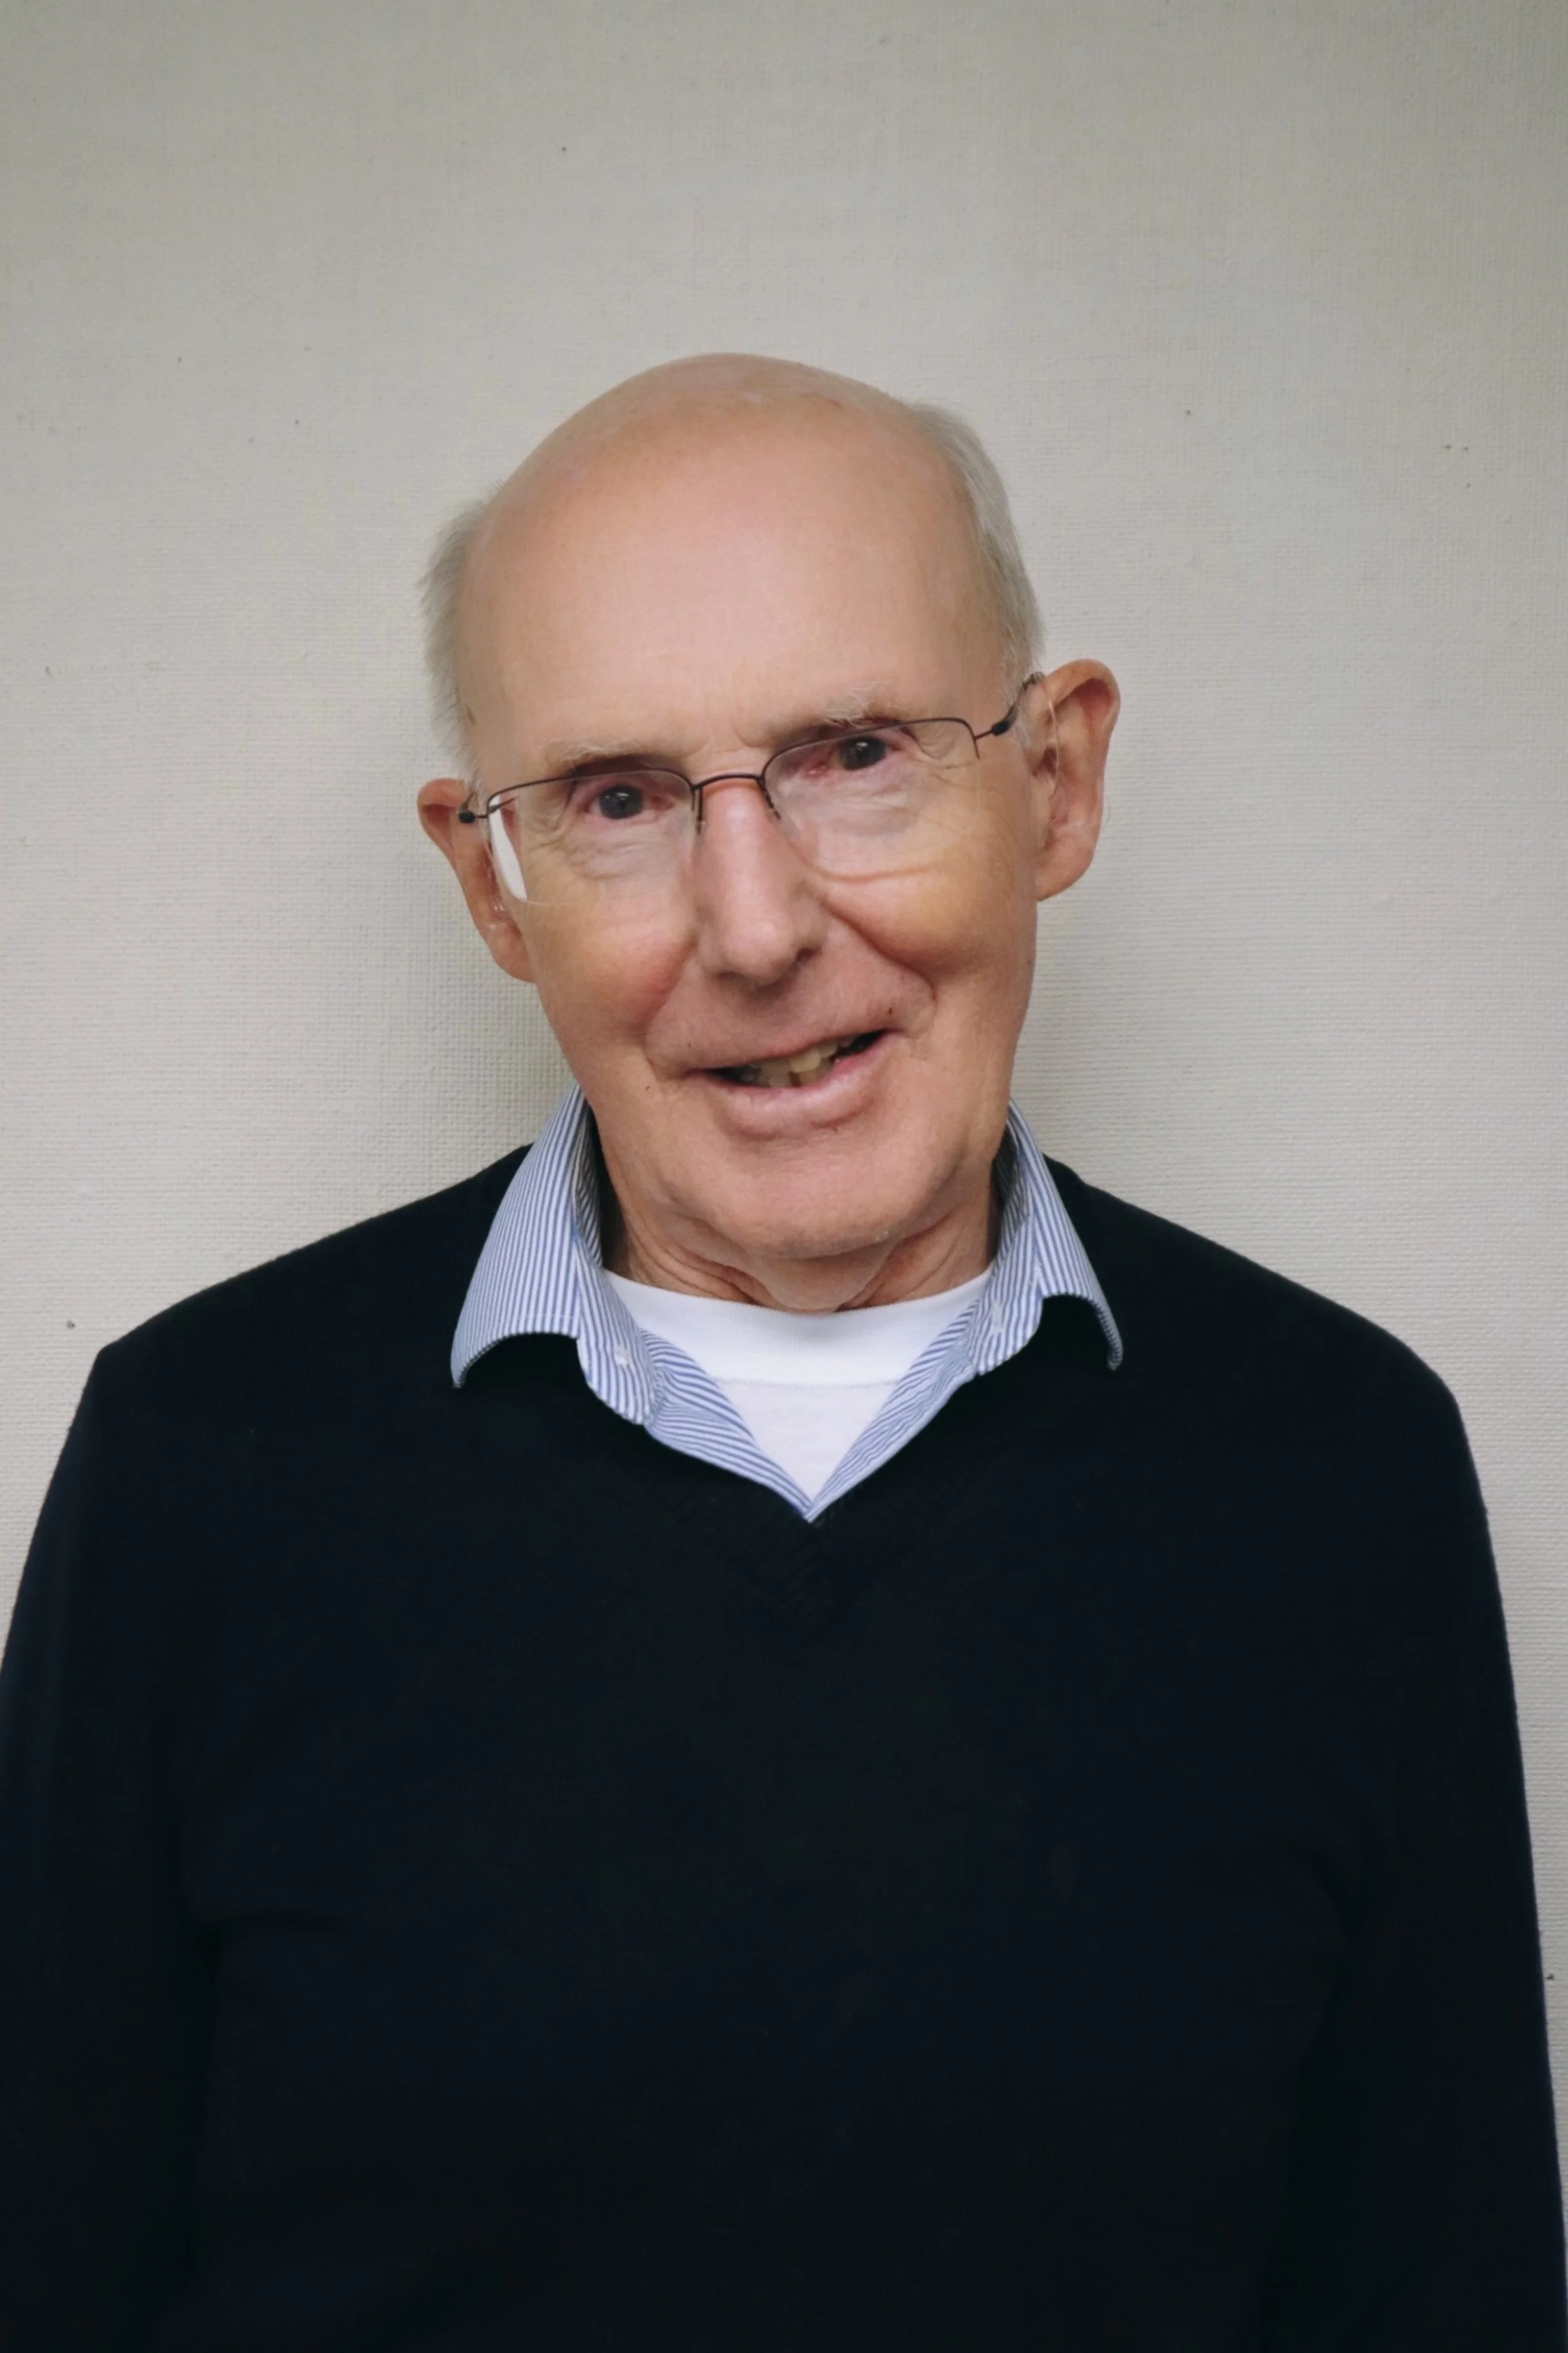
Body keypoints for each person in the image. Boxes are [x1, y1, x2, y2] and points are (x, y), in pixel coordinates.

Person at [0, 353, 1561, 2349]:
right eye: (620, 799)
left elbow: (1448, 2292)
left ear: (1056, 778)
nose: (754, 927)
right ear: (494, 881)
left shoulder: (1341, 1468)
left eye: (850, 751)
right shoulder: (195, 1456)